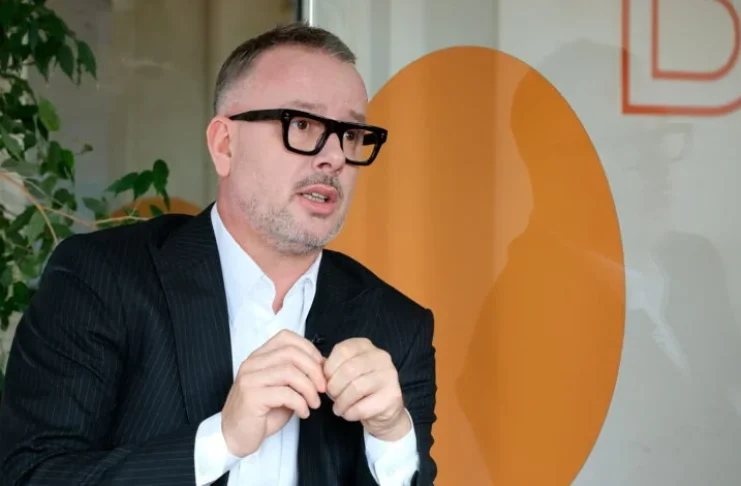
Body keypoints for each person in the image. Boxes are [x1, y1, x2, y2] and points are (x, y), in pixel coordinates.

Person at [0, 22, 437, 486]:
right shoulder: (101, 280)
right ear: (224, 145)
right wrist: (220, 441)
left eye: (350, 134)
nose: (334, 157)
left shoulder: (395, 326)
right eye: (302, 125)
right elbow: (31, 475)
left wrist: (391, 437)